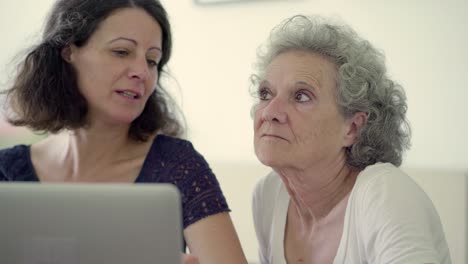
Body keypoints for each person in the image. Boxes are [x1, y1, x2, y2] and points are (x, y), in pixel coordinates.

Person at [0, 0, 247, 263]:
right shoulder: (7, 171)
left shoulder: (177, 166)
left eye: (152, 60)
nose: (142, 72)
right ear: (69, 51)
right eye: (121, 51)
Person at [251, 15, 451, 264]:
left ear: (353, 128)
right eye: (266, 93)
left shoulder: (384, 194)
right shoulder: (269, 195)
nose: (270, 112)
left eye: (301, 96)